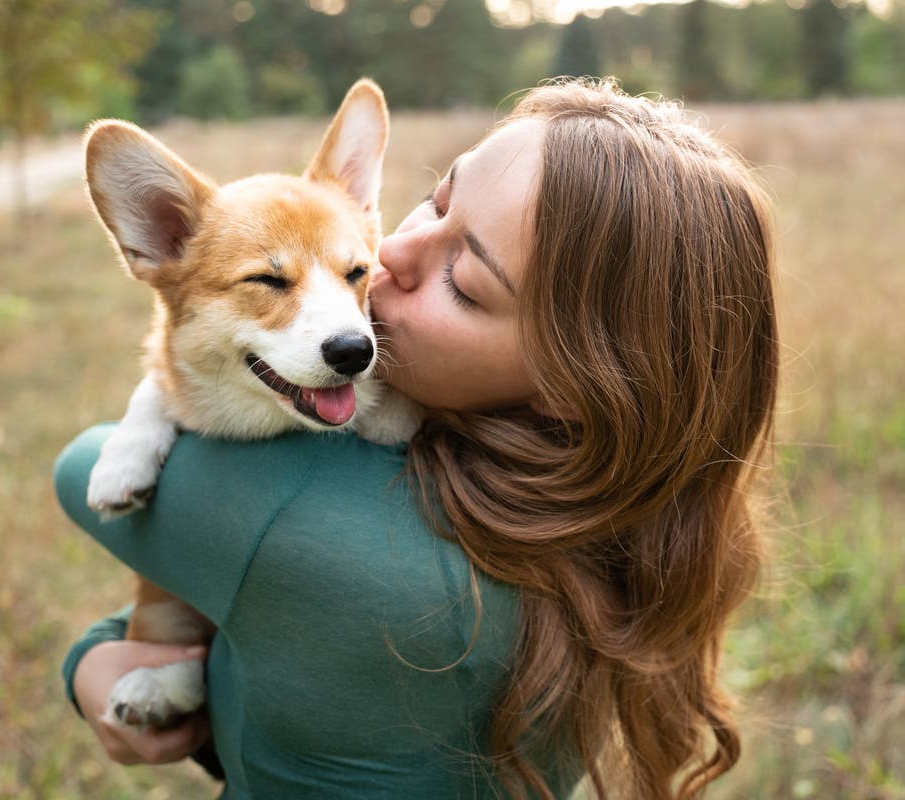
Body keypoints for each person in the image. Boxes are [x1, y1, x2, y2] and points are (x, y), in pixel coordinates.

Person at [56, 78, 778, 800]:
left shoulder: (299, 524)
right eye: (436, 201)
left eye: (462, 280)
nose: (388, 253)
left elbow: (79, 471)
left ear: (572, 385)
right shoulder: (597, 529)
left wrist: (89, 660)